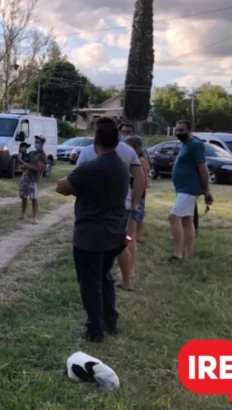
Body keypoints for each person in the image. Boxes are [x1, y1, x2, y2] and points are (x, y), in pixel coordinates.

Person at [56, 117, 130, 343]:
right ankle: (110, 320)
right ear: (117, 142)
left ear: (96, 142)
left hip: (90, 236)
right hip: (115, 233)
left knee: (90, 283)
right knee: (105, 278)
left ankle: (94, 330)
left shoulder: (91, 167)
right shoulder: (122, 167)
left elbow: (63, 187)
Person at [76, 123, 144, 293]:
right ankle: (127, 280)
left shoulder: (87, 152)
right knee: (124, 241)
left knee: (97, 246)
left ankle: (100, 279)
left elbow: (75, 180)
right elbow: (140, 178)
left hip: (94, 209)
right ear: (117, 135)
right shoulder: (128, 151)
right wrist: (136, 201)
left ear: (97, 137)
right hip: (123, 205)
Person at [169, 120, 212, 261]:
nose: (179, 133)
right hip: (183, 188)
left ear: (189, 130)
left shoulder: (195, 145)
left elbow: (203, 168)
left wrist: (206, 190)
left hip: (189, 189)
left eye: (182, 130)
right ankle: (190, 252)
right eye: (177, 130)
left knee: (174, 217)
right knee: (187, 220)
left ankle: (177, 254)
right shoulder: (185, 145)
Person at [118, 136, 150, 290]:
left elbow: (142, 181)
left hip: (133, 203)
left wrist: (136, 202)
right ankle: (129, 269)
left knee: (129, 237)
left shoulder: (140, 162)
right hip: (133, 201)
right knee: (128, 237)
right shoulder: (137, 160)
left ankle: (130, 269)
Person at [18, 136, 48, 224]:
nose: (36, 144)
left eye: (38, 142)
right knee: (23, 196)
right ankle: (23, 214)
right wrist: (21, 155)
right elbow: (25, 161)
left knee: (33, 198)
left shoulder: (42, 155)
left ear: (42, 143)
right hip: (26, 176)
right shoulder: (32, 153)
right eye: (35, 142)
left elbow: (38, 168)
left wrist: (26, 166)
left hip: (33, 179)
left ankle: (35, 217)